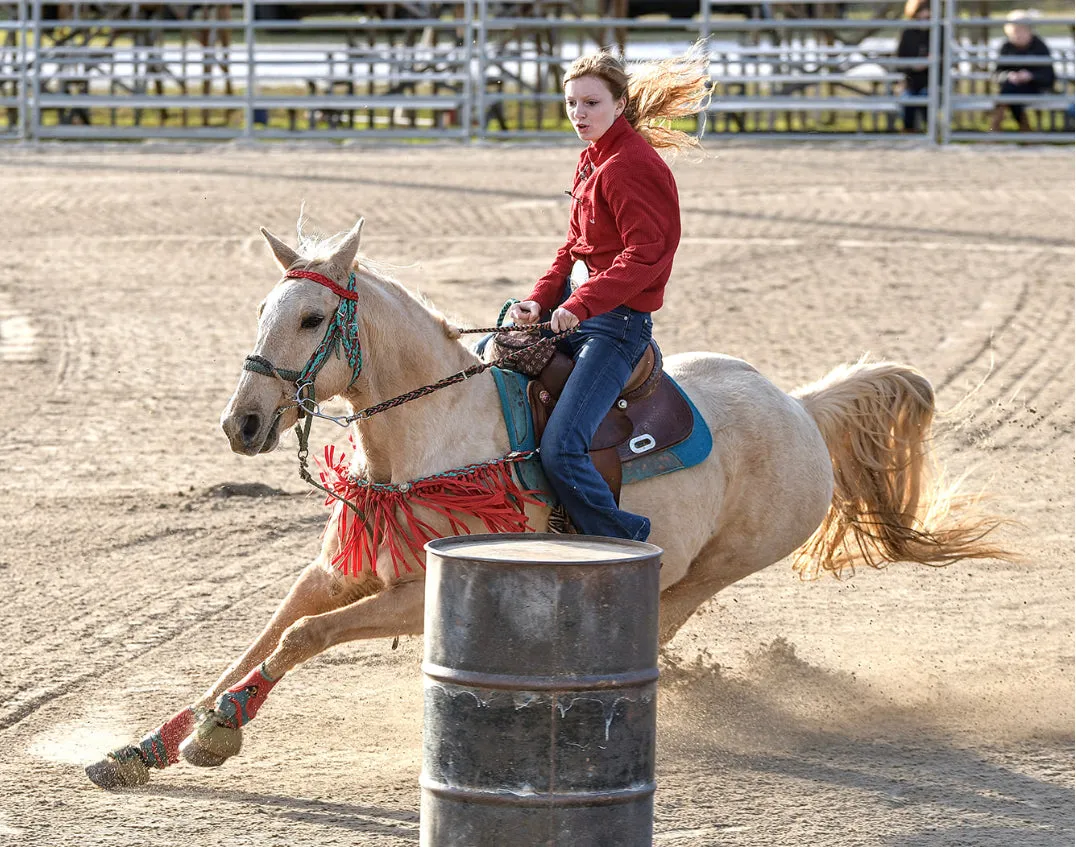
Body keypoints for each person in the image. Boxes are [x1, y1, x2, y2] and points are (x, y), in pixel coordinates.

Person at [505, 46, 709, 541]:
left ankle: (623, 540)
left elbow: (646, 255)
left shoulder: (629, 166)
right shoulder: (591, 160)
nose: (579, 114)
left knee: (563, 447)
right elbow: (574, 248)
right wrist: (540, 299)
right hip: (579, 313)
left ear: (620, 105)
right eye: (572, 103)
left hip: (616, 328)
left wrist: (579, 304)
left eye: (591, 103)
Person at [991, 10, 1056, 132]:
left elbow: (1048, 76)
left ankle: (995, 128)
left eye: (1022, 30)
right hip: (1013, 86)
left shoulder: (1039, 46)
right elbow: (996, 73)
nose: (1018, 34)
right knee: (1011, 89)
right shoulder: (1006, 47)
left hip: (1035, 88)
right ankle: (1025, 131)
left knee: (1008, 92)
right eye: (1015, 31)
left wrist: (1030, 76)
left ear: (1029, 30)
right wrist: (1009, 75)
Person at [896, 0, 935, 133]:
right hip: (911, 80)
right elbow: (899, 60)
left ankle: (931, 131)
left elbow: (943, 59)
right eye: (921, 12)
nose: (925, 16)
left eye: (928, 15)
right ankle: (909, 130)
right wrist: (912, 66)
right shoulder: (908, 33)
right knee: (908, 97)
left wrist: (931, 62)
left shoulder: (937, 32)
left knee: (926, 95)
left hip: (931, 81)